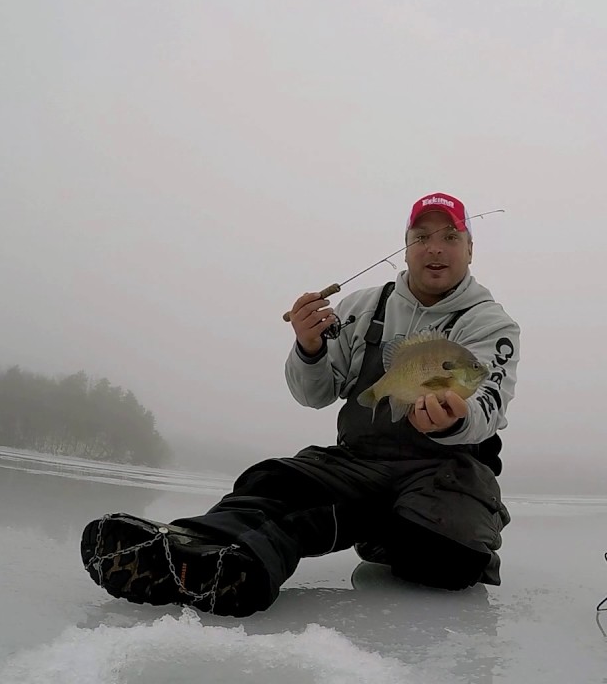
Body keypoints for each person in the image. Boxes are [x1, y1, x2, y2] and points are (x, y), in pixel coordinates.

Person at [80, 192, 522, 617]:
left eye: (450, 237)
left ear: (469, 248)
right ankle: (198, 551)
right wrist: (309, 347)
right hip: (359, 465)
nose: (435, 249)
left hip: (447, 471)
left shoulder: (490, 322)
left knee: (449, 556)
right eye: (421, 238)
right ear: (404, 250)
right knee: (275, 484)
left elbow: (489, 398)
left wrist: (455, 420)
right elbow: (315, 393)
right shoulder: (364, 307)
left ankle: (391, 533)